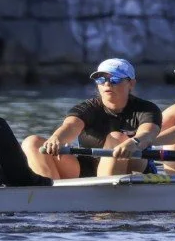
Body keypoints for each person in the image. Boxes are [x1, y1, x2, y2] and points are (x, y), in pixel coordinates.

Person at [22, 58, 162, 179]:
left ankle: (108, 196)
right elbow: (70, 126)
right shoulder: (86, 108)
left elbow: (148, 133)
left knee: (117, 138)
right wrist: (57, 138)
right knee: (32, 142)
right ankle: (50, 194)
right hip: (87, 169)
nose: (107, 84)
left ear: (131, 83)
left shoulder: (147, 109)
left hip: (134, 167)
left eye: (115, 79)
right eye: (101, 79)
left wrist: (134, 142)